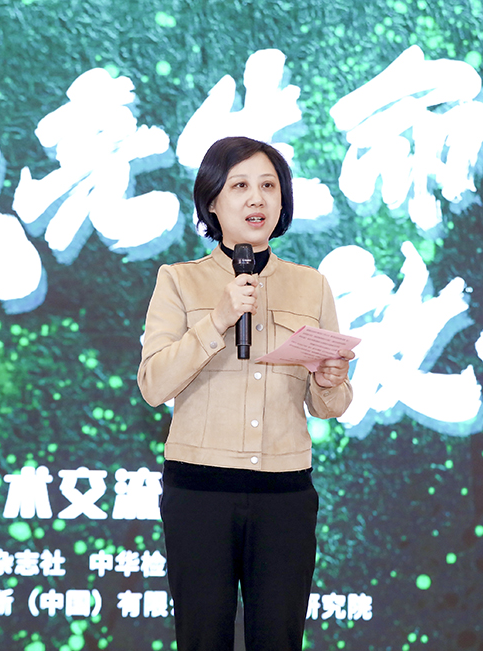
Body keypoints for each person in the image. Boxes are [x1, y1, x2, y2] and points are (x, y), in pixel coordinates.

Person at [137, 136, 354, 650]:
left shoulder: (311, 286)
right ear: (212, 201)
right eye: (239, 186)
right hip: (200, 492)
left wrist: (330, 381)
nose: (256, 199)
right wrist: (217, 318)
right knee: (202, 639)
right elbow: (153, 385)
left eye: (268, 186)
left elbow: (329, 404)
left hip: (284, 494)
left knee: (279, 639)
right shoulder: (179, 281)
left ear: (282, 202)